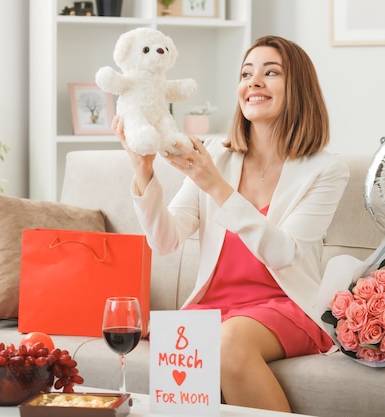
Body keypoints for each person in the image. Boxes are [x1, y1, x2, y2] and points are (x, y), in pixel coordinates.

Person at [113, 35, 349, 412]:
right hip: (215, 308)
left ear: (298, 88)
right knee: (183, 350)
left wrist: (216, 187)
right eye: (246, 73)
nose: (253, 82)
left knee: (226, 343)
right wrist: (143, 173)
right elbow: (165, 240)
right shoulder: (218, 156)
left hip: (285, 305)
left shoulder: (325, 170)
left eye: (270, 73)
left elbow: (283, 252)